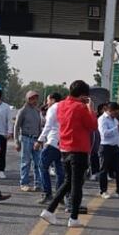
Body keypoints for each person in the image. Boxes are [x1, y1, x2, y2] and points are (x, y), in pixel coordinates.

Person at [41, 81, 97, 227]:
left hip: (65, 147)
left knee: (68, 182)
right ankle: (73, 218)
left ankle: (49, 210)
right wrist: (91, 109)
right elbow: (92, 126)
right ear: (84, 95)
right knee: (77, 185)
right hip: (79, 148)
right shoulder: (80, 107)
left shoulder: (60, 105)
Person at [35, 92, 65, 205]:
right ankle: (59, 195)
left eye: (48, 100)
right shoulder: (64, 107)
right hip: (62, 143)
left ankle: (47, 193)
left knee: (42, 167)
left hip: (52, 141)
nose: (47, 103)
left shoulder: (53, 108)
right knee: (59, 170)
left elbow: (48, 126)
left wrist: (39, 140)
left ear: (52, 100)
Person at [14, 90, 44, 192]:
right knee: (25, 162)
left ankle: (38, 184)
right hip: (26, 138)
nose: (34, 100)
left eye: (36, 98)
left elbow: (39, 127)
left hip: (36, 139)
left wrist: (40, 140)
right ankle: (24, 183)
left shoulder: (37, 111)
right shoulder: (22, 111)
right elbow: (16, 127)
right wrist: (16, 141)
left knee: (38, 163)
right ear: (28, 99)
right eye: (32, 98)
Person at [97, 101, 119, 199]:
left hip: (115, 146)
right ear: (109, 110)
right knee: (103, 170)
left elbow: (117, 133)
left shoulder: (115, 119)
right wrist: (116, 128)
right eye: (115, 113)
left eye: (118, 113)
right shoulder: (102, 119)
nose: (116, 115)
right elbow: (104, 133)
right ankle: (103, 191)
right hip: (105, 146)